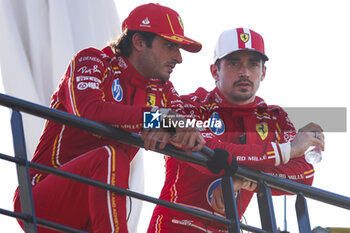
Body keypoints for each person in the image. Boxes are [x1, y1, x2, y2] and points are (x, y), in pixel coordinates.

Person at [13, 3, 205, 233]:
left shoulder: (162, 89)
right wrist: (155, 118)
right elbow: (89, 110)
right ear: (139, 42)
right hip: (41, 196)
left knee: (113, 160)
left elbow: (188, 131)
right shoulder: (92, 60)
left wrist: (172, 129)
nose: (179, 58)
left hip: (95, 213)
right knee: (110, 157)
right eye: (171, 46)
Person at [148, 27, 325, 232]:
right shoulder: (189, 105)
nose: (245, 72)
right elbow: (211, 153)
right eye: (234, 63)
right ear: (215, 71)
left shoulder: (275, 117)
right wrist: (288, 150)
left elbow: (305, 173)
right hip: (176, 225)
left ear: (263, 72)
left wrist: (246, 180)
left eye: (253, 64)